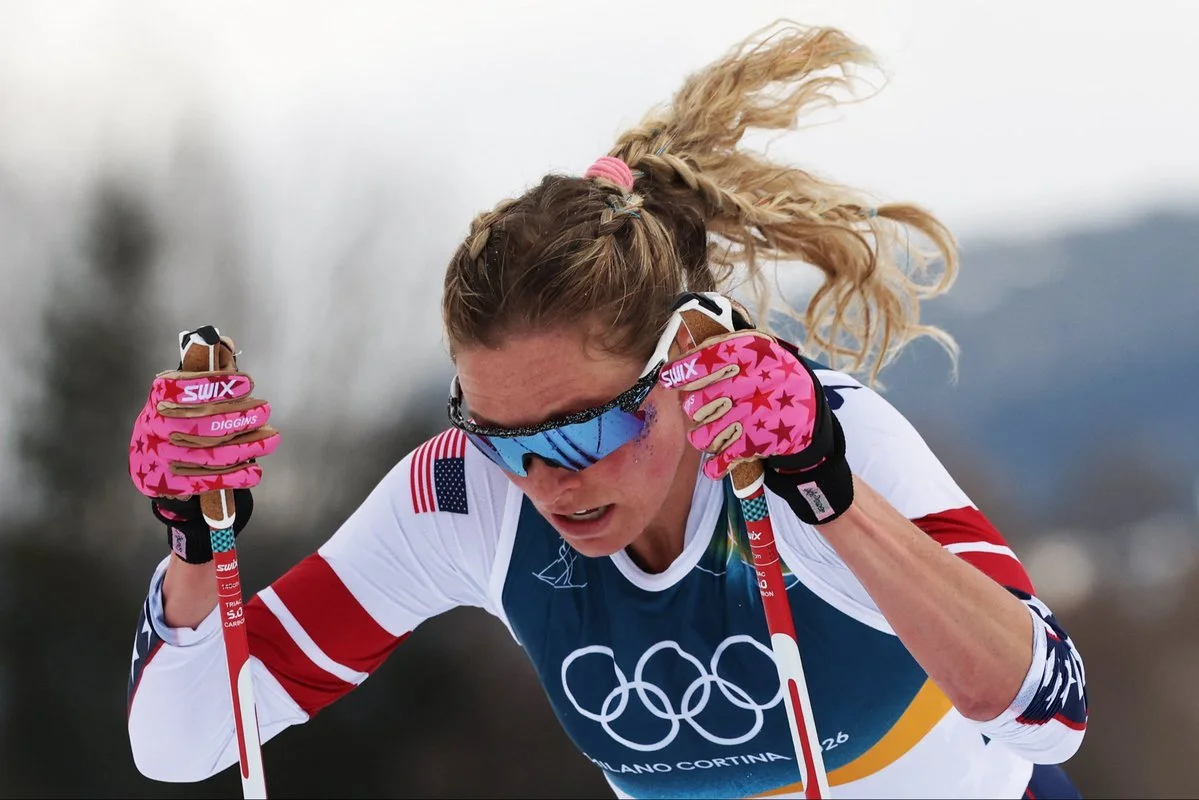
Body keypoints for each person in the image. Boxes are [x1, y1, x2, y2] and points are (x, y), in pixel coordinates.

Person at [125, 21, 1088, 799]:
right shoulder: (465, 496)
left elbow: (1046, 712)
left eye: (590, 426)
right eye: (505, 439)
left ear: (683, 367)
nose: (551, 480)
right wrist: (193, 548)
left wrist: (828, 493)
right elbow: (182, 743)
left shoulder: (807, 443)